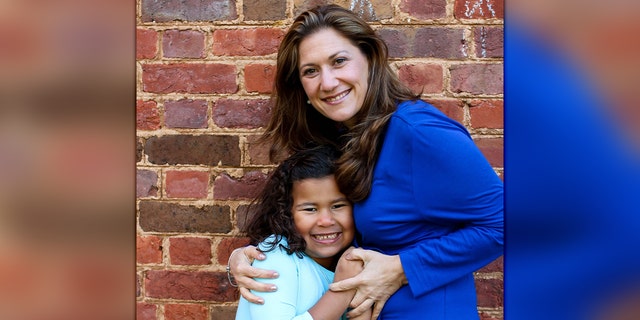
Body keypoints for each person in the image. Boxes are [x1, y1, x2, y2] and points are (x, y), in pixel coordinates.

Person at [229, 4, 504, 319]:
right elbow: (317, 228)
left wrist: (402, 269)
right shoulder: (345, 140)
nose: (328, 82)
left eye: (339, 61)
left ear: (370, 59)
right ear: (301, 87)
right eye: (311, 71)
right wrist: (248, 258)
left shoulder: (418, 132)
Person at [234, 145, 371, 320]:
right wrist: (343, 289)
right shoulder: (276, 253)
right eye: (310, 209)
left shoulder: (351, 263)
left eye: (338, 206)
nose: (326, 220)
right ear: (286, 213)